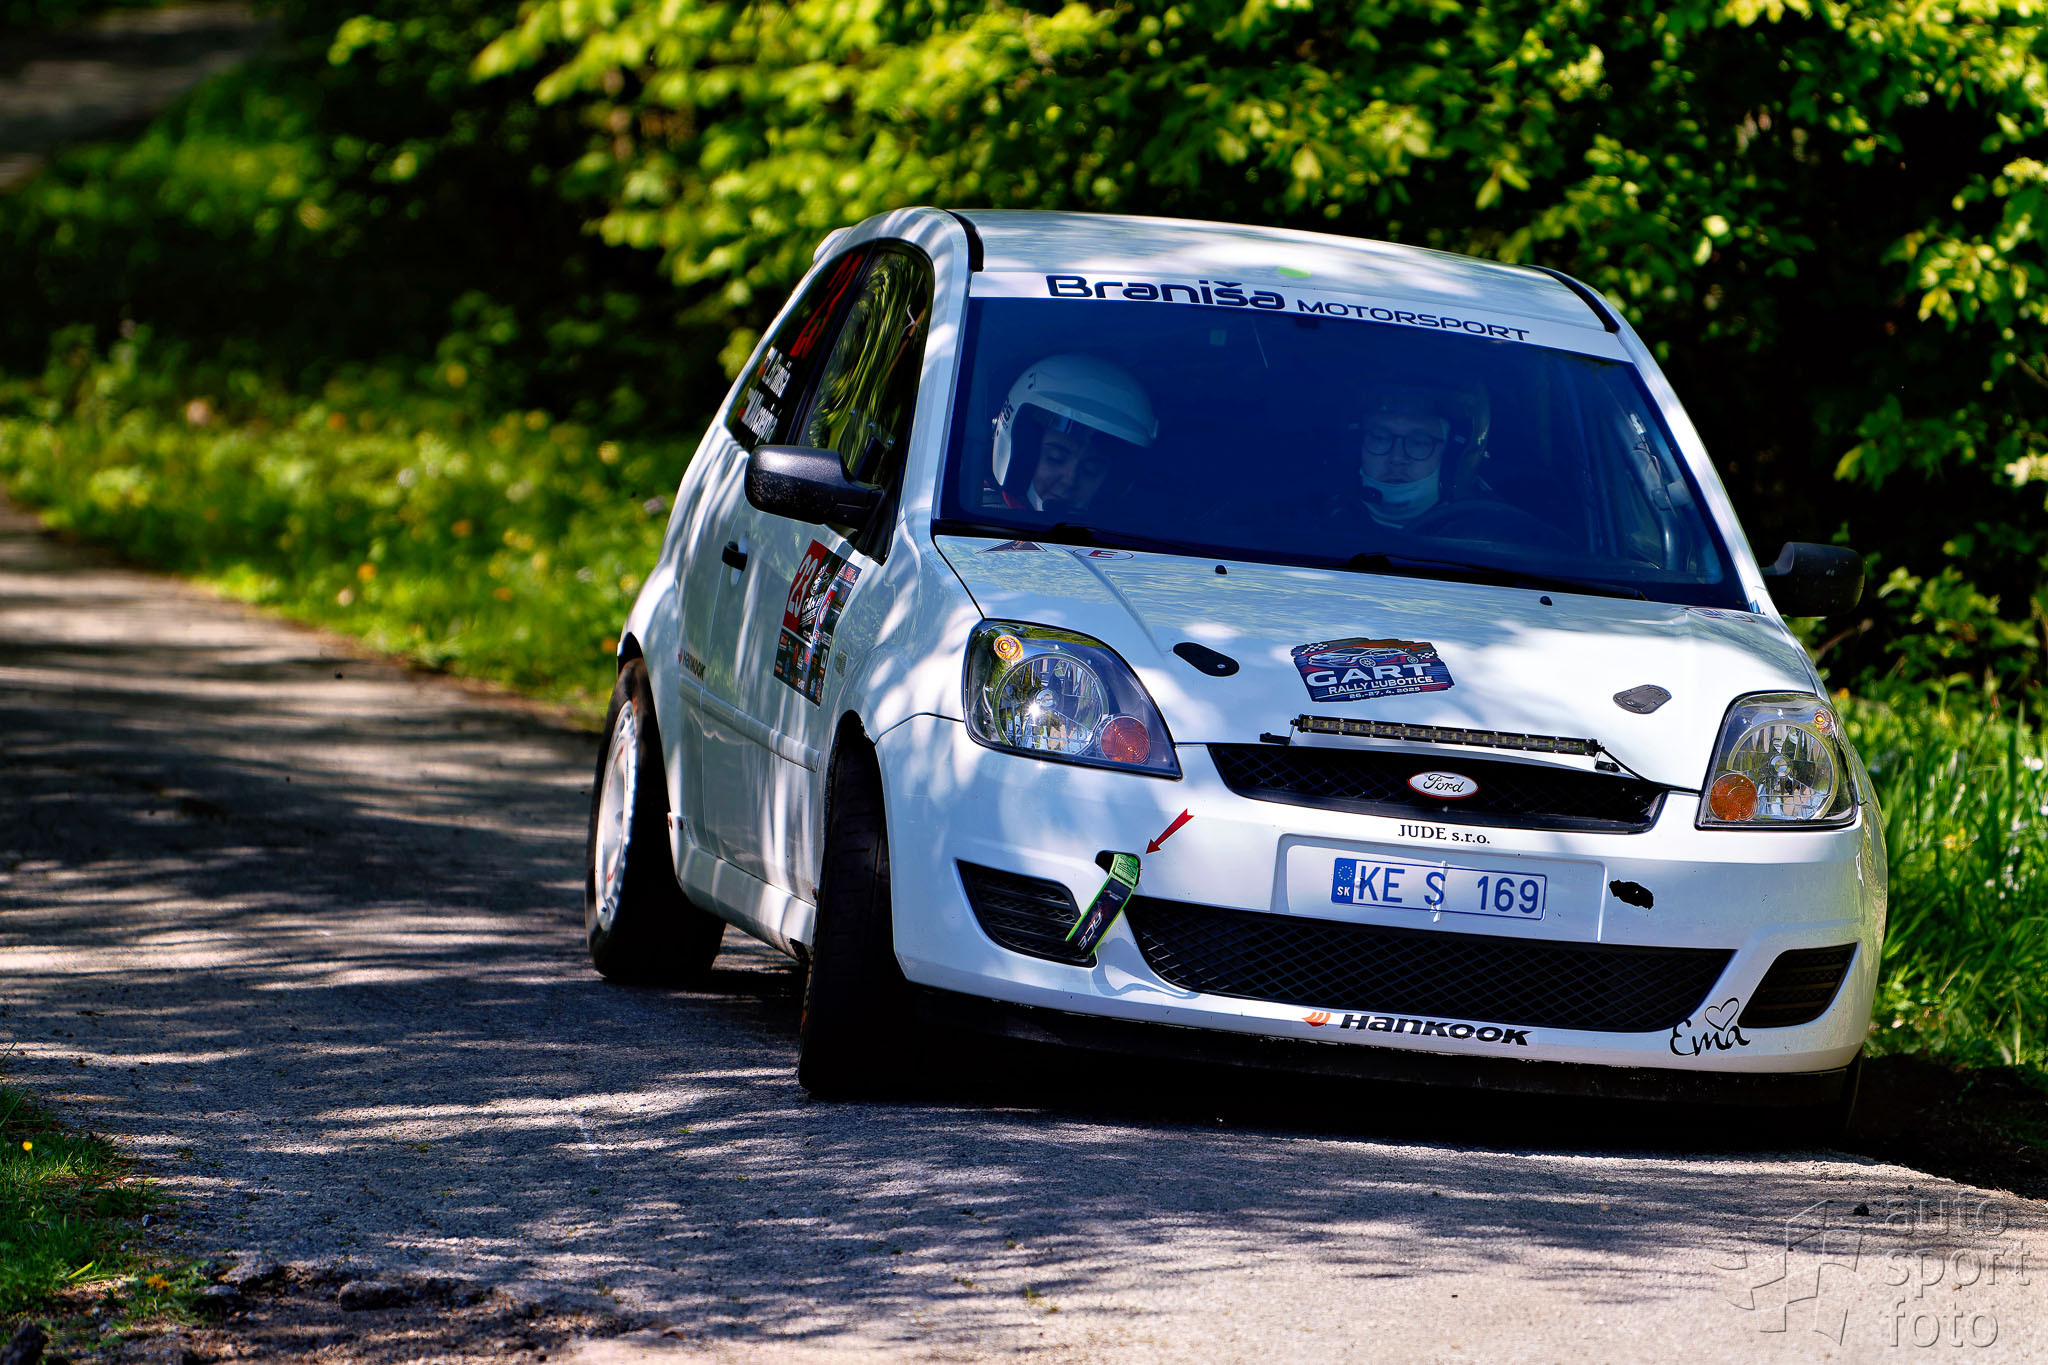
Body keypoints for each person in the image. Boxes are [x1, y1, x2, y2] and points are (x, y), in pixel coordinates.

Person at [985, 354, 1157, 513]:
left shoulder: (1122, 534)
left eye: (1091, 470)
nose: (1069, 481)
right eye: (1056, 458)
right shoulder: (981, 518)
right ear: (1023, 452)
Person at [1351, 379, 1489, 528]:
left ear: (1451, 456)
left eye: (1419, 442)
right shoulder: (1330, 525)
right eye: (1380, 438)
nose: (1397, 458)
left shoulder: (1489, 531)